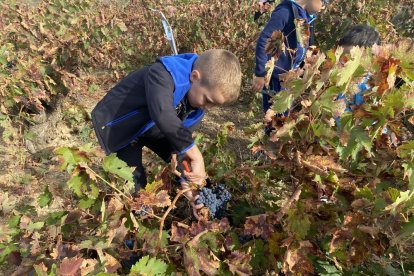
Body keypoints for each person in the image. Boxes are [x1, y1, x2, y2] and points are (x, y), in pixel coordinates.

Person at [91, 49, 242, 217]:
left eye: (215, 105)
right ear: (194, 76)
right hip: (120, 126)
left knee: (185, 158)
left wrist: (189, 184)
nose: (208, 107)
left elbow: (178, 146)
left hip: (152, 128)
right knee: (135, 185)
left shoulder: (197, 109)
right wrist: (195, 153)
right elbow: (163, 114)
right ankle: (134, 228)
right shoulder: (162, 73)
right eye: (208, 100)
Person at [252, 0, 326, 117]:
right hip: (277, 77)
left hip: (290, 76)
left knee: (282, 115)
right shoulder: (286, 12)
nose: (323, 7)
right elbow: (264, 40)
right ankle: (272, 134)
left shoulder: (305, 17)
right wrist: (260, 73)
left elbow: (305, 46)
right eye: (324, 2)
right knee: (274, 117)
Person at [335, 24, 381, 118]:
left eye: (350, 58)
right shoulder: (335, 77)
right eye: (342, 56)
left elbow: (368, 126)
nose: (344, 62)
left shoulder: (366, 89)